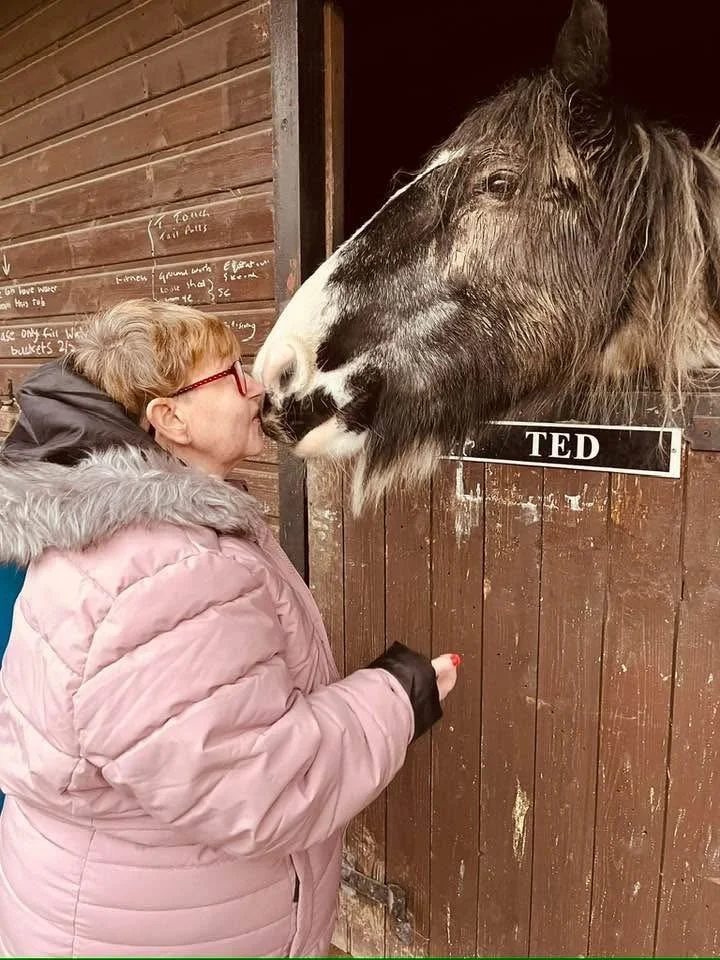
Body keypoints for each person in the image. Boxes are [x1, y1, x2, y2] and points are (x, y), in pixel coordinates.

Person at [0, 299, 458, 958]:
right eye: (232, 373)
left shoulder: (117, 534)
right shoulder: (164, 568)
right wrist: (395, 694)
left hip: (106, 906)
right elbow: (257, 786)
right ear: (171, 417)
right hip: (154, 926)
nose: (256, 387)